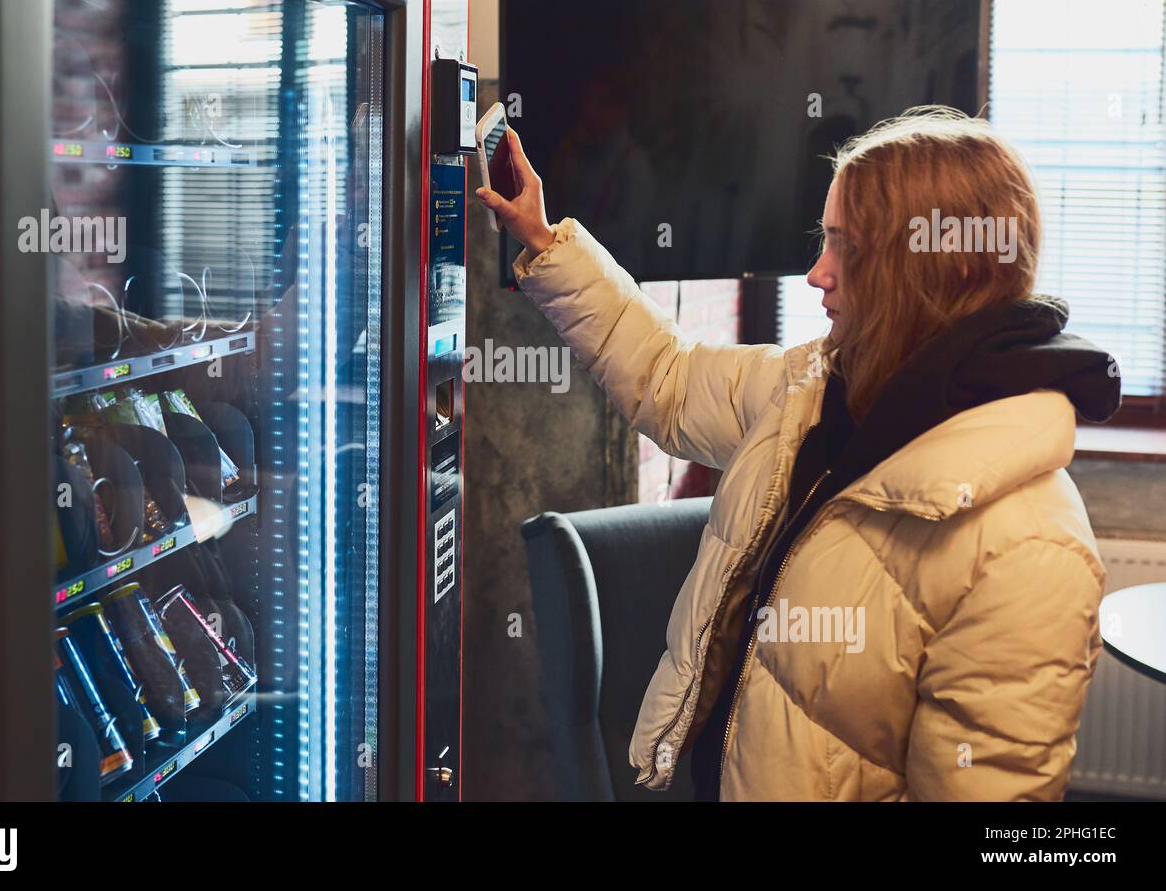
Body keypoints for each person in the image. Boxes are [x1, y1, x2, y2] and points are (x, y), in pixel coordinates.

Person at [478, 106, 1121, 801]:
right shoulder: (821, 385)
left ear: (948, 265)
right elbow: (668, 376)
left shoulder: (1029, 548)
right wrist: (545, 241)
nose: (817, 273)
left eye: (848, 248)